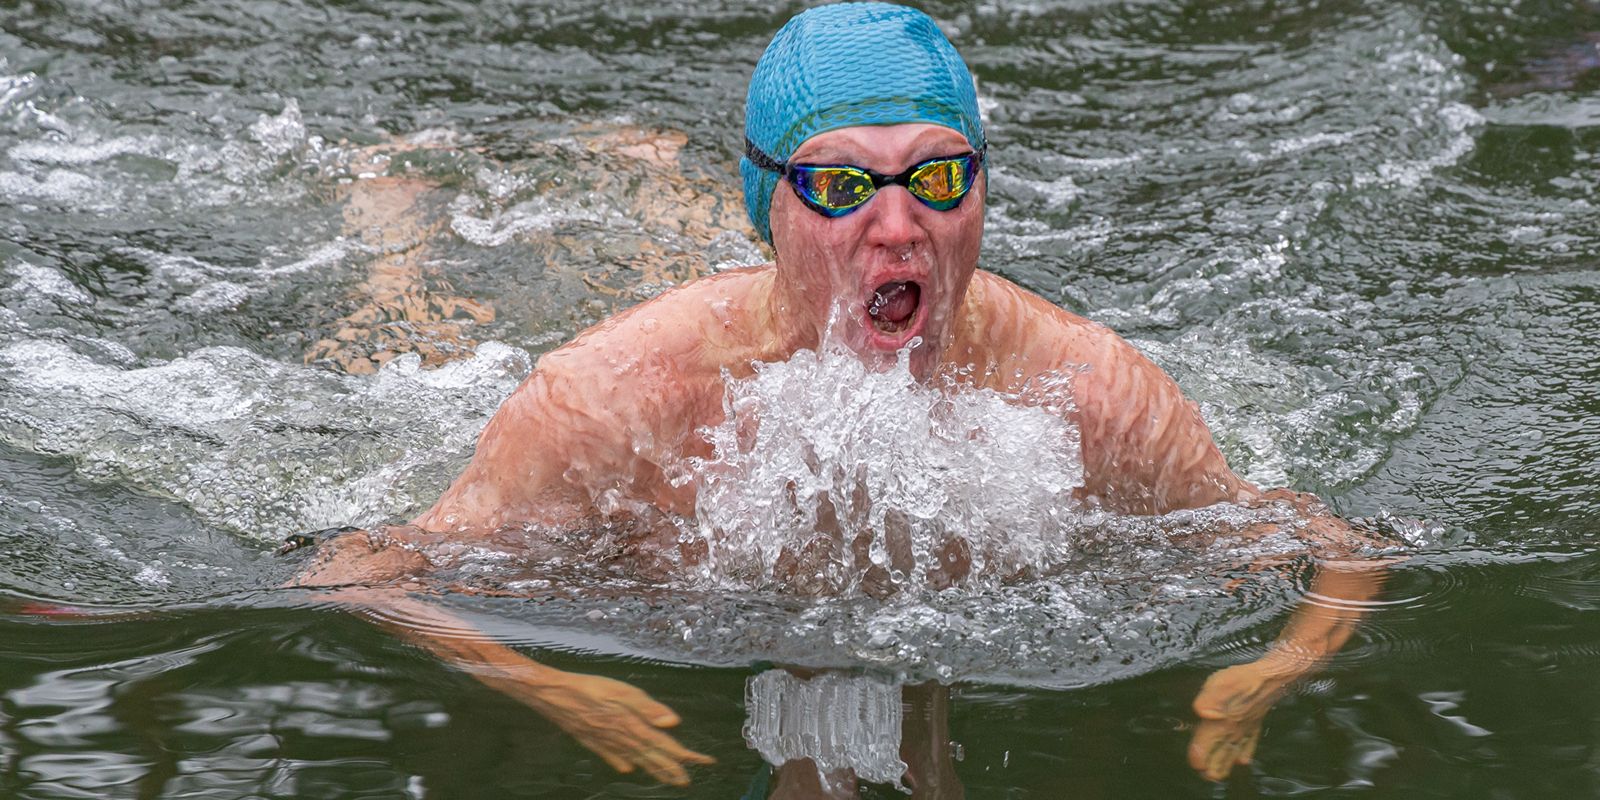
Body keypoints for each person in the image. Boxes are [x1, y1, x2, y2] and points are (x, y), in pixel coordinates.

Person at [294, 2, 1391, 788]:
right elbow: (362, 567)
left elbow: (1330, 541)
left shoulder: (1083, 389)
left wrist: (1269, 670)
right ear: (770, 203)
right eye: (839, 183)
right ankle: (395, 223)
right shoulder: (618, 393)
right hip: (676, 324)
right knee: (412, 337)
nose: (900, 224)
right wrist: (552, 687)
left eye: (938, 174)